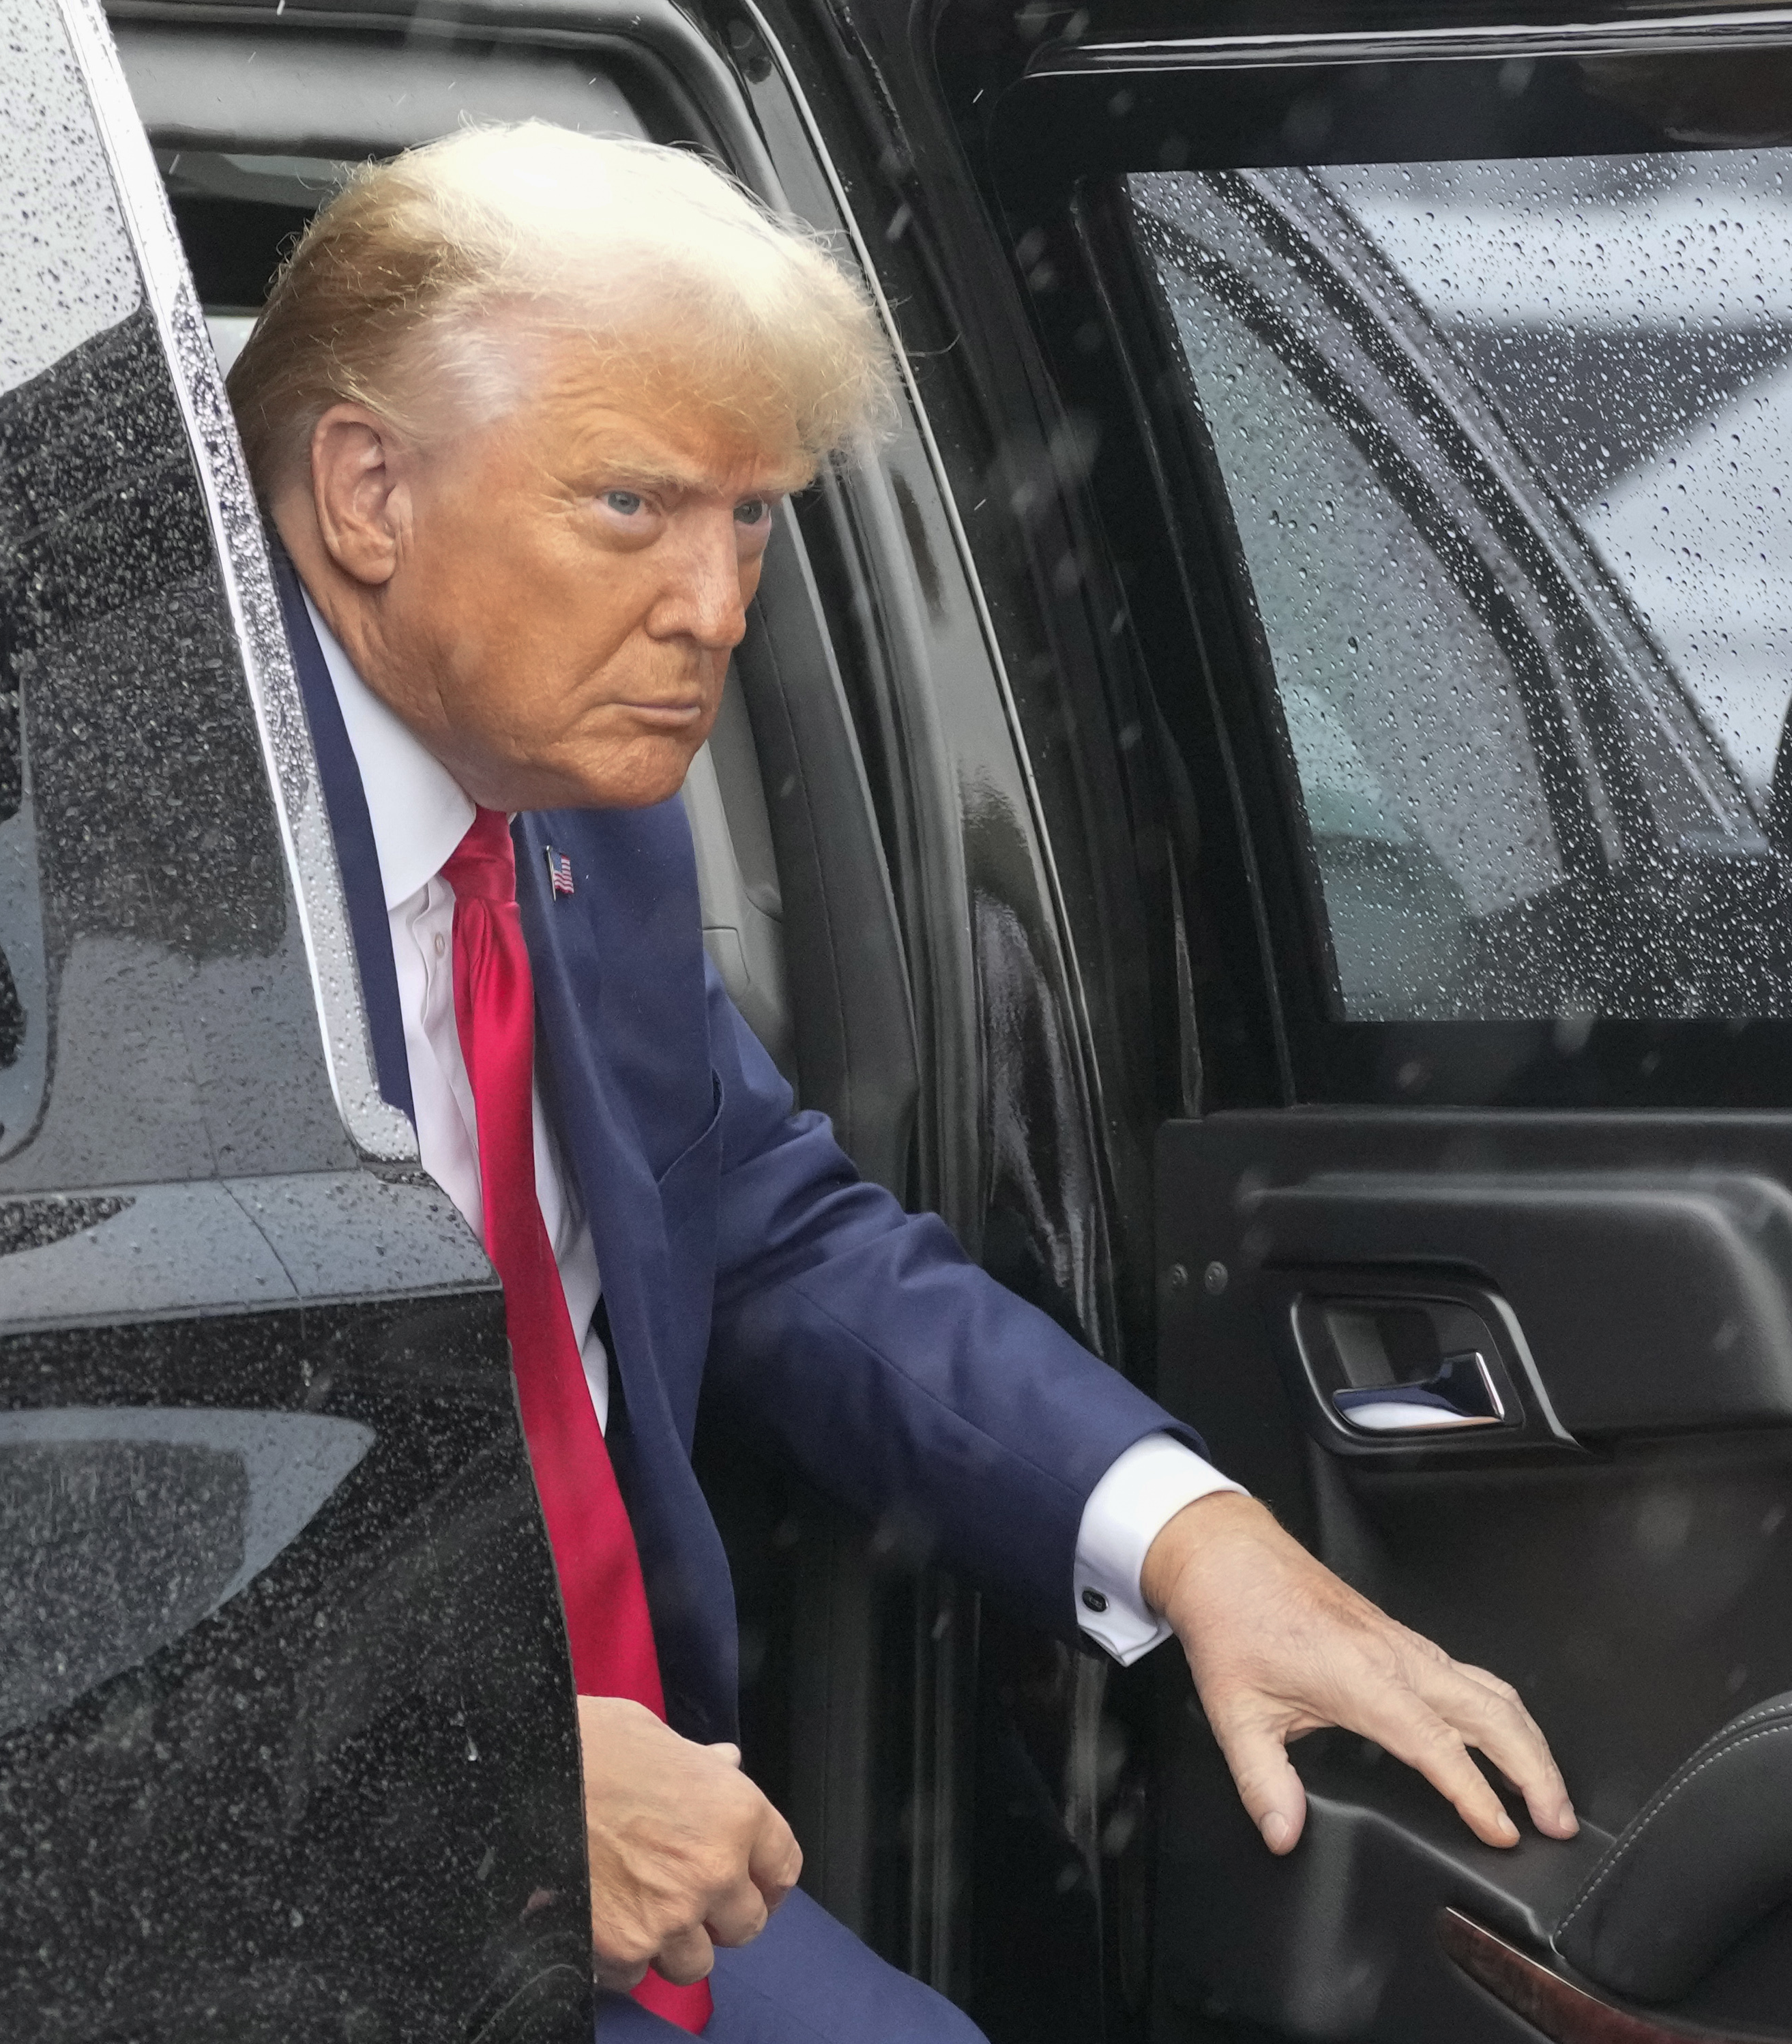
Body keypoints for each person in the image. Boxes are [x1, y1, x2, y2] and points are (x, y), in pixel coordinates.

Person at [227, 121, 1578, 2041]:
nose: (716, 606)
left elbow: (768, 1233)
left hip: (627, 1864)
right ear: (366, 491)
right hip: (241, 1883)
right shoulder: (101, 876)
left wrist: (1198, 1542)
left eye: (752, 515)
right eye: (633, 505)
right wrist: (487, 1780)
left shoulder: (569, 814)